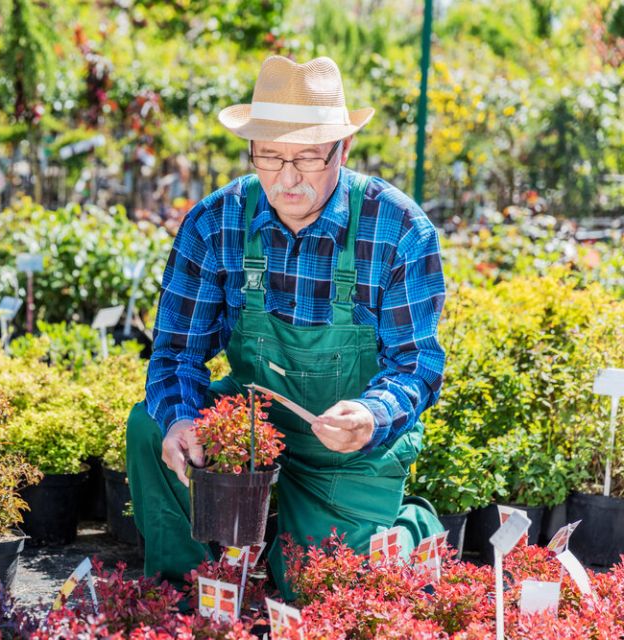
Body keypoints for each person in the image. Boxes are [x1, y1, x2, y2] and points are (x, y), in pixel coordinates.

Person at [125, 55, 447, 599]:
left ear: (343, 151)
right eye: (269, 157)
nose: (288, 177)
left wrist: (372, 414)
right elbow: (177, 353)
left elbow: (417, 366)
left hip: (347, 444)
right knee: (152, 426)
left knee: (316, 590)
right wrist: (182, 422)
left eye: (307, 158)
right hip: (257, 423)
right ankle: (187, 596)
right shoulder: (216, 221)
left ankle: (410, 532)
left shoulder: (397, 228)